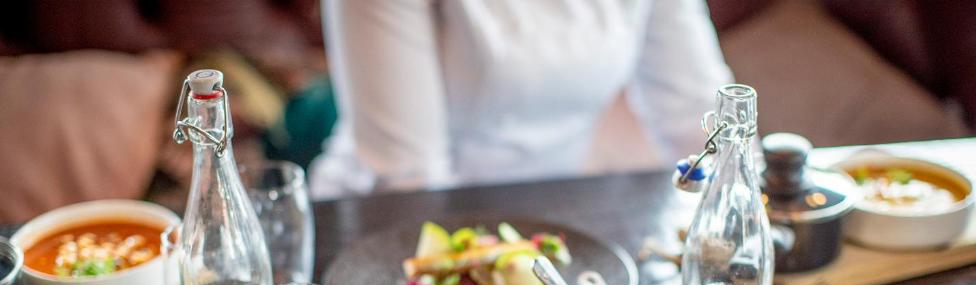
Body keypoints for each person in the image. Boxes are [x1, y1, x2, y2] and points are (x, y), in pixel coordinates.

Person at [309, 0, 733, 198]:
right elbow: (408, 180)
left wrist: (742, 212)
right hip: (383, 216)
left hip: (549, 225)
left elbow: (700, 120)